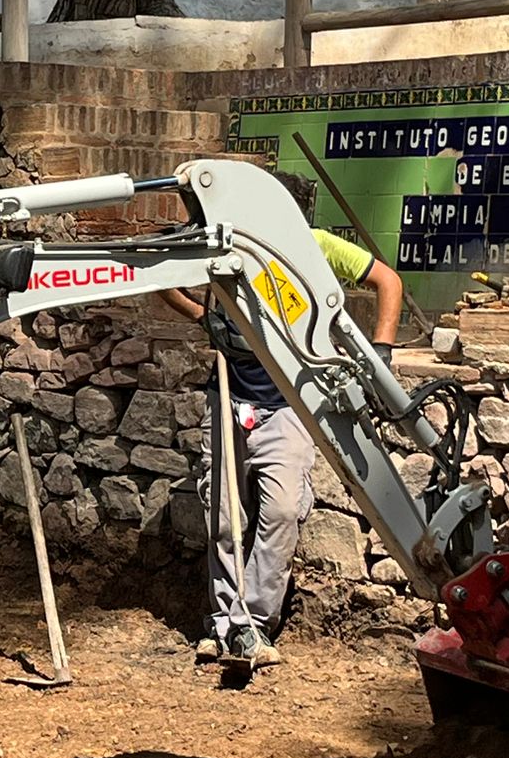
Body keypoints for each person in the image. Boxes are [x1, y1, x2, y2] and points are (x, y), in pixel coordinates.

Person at [157, 173, 403, 669]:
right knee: (225, 515)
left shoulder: (312, 247)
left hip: (293, 403)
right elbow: (160, 271)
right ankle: (224, 622)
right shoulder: (220, 250)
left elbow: (388, 280)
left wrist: (381, 353)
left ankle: (254, 623)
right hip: (229, 394)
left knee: (283, 511)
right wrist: (202, 317)